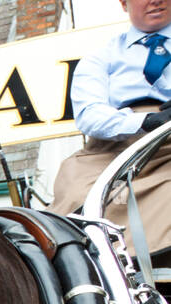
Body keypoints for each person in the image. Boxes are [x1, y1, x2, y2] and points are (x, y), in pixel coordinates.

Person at [50, 1, 171, 250]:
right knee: (75, 195)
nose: (155, 0)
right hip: (115, 148)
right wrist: (145, 121)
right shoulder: (100, 58)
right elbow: (89, 115)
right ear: (124, 3)